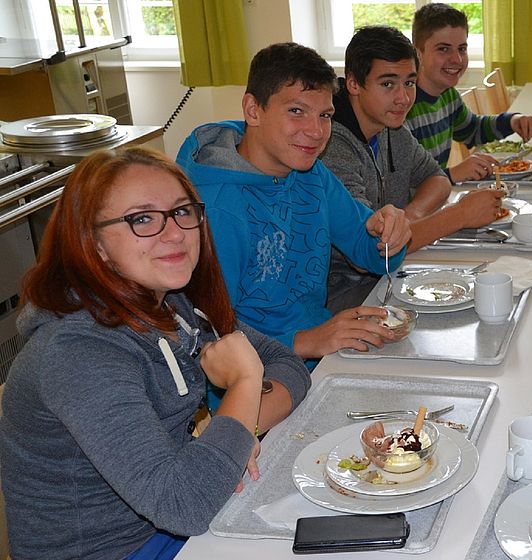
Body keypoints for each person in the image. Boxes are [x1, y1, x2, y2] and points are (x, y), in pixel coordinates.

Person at [0, 148, 311, 560]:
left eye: (182, 211)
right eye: (141, 219)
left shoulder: (174, 305)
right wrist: (245, 384)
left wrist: (233, 434)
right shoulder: (76, 353)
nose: (174, 233)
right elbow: (185, 505)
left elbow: (290, 366)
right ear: (94, 244)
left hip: (173, 526)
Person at [176, 42, 412, 365]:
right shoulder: (216, 207)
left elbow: (369, 251)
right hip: (260, 381)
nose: (316, 132)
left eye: (325, 115)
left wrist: (389, 232)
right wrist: (303, 341)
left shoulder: (311, 172)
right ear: (252, 110)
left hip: (325, 357)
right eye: (296, 111)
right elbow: (209, 335)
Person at [321, 26, 506, 312]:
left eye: (409, 83)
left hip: (389, 276)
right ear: (354, 84)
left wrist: (410, 219)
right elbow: (369, 254)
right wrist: (459, 215)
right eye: (387, 84)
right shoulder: (330, 144)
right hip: (343, 294)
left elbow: (436, 178)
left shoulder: (390, 126)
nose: (404, 98)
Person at [405, 3, 532, 183]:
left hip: (438, 199)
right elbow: (405, 186)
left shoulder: (448, 95)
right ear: (418, 52)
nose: (457, 59)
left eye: (462, 49)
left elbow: (472, 129)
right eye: (443, 49)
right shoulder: (403, 107)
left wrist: (512, 121)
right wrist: (453, 174)